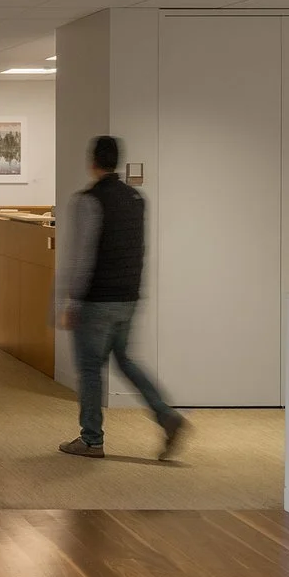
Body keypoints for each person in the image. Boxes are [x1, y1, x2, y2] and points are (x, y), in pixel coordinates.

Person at [57, 134, 187, 462]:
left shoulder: (88, 200)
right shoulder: (136, 198)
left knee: (89, 368)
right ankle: (166, 415)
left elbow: (82, 256)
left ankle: (91, 439)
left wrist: (71, 301)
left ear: (92, 162)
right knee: (125, 359)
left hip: (97, 300)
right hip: (128, 297)